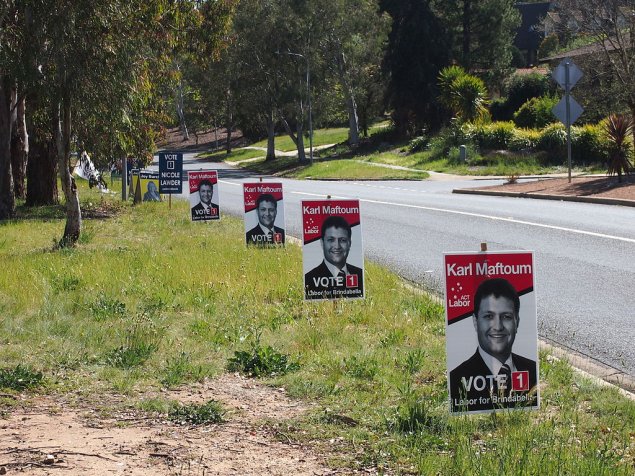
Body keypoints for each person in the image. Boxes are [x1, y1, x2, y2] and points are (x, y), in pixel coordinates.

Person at [449, 278, 538, 412]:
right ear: (475, 321)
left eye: (506, 316)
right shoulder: (456, 380)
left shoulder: (532, 371)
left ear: (517, 322)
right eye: (489, 316)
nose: (498, 327)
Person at [304, 215, 363, 299]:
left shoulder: (360, 275)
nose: (337, 246)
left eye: (342, 240)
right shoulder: (309, 279)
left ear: (349, 243)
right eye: (331, 240)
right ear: (322, 243)